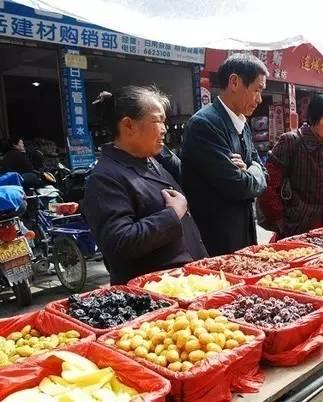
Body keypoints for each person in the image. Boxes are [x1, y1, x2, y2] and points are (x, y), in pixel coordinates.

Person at [82, 86, 207, 285]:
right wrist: (171, 215)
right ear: (128, 126)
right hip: (152, 295)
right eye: (157, 121)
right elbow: (119, 243)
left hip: (184, 284)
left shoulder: (151, 159)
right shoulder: (105, 178)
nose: (164, 128)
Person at [181, 53, 268, 256]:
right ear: (235, 82)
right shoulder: (205, 124)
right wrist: (251, 173)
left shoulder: (241, 123)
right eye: (257, 90)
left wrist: (250, 170)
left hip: (242, 235)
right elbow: (237, 185)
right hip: (216, 241)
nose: (259, 99)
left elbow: (263, 171)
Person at [258, 94, 323, 239]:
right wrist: (280, 220)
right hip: (296, 229)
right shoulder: (291, 142)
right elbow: (269, 184)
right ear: (314, 118)